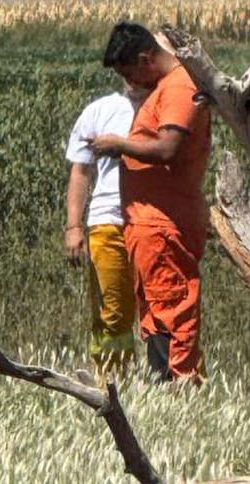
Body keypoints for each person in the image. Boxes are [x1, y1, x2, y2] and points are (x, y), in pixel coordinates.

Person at [90, 21, 210, 384]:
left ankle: (179, 387)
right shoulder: (166, 87)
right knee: (157, 314)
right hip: (150, 225)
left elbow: (167, 148)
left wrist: (119, 145)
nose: (131, 83)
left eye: (130, 73)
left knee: (171, 311)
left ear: (146, 59)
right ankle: (165, 386)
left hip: (163, 225)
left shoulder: (178, 87)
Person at [63, 85, 139, 372]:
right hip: (107, 221)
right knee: (111, 312)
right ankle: (111, 380)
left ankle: (166, 382)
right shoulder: (100, 110)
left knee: (161, 307)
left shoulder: (165, 104)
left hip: (151, 220)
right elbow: (80, 171)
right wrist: (74, 226)